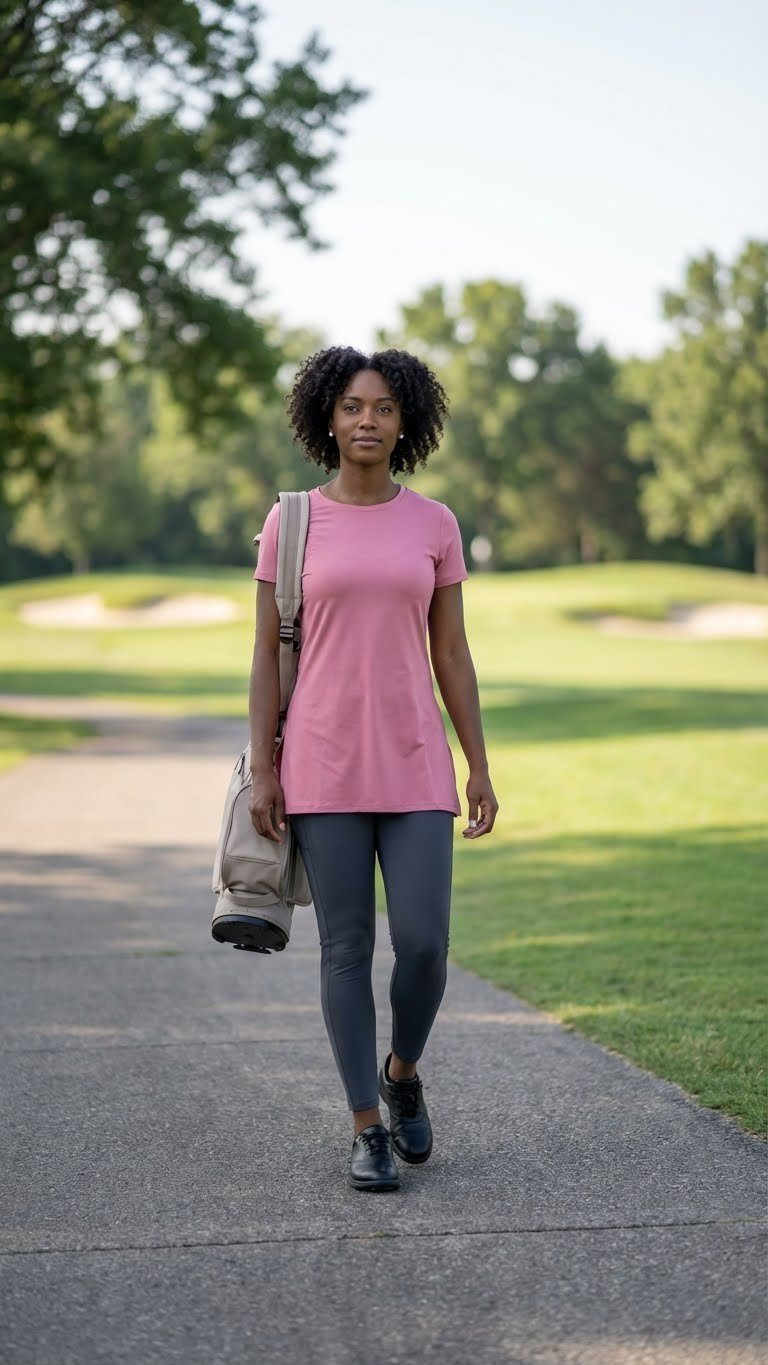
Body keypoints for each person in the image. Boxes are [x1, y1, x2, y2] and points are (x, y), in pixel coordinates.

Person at [248, 346, 498, 1192]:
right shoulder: (292, 522)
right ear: (326, 416)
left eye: (384, 407)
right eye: (352, 405)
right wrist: (264, 769)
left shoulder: (434, 523)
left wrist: (478, 765)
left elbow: (453, 651)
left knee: (425, 943)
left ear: (406, 422)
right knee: (346, 949)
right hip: (321, 761)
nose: (367, 419)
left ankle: (401, 1073)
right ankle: (366, 1126)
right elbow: (264, 656)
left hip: (417, 758)